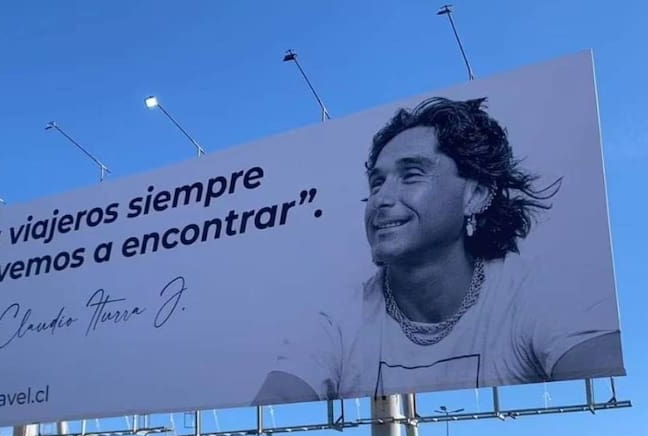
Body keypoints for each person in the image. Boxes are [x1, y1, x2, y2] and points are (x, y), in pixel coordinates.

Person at [253, 96, 623, 405]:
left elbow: (604, 390)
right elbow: (277, 402)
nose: (381, 199)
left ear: (475, 194)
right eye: (377, 182)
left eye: (411, 175)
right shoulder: (337, 319)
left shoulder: (536, 292)